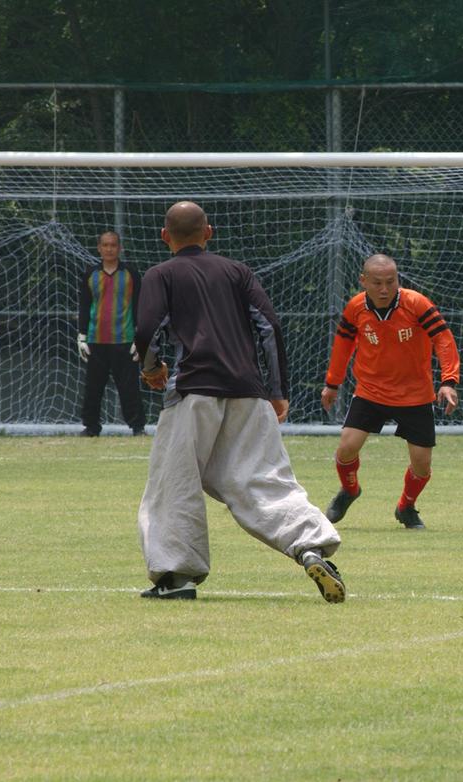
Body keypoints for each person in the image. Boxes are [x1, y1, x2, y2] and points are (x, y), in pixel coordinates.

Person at [134, 201, 344, 602]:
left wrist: (151, 368)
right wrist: (277, 392)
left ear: (165, 237)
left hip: (193, 391)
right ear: (208, 232)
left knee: (174, 484)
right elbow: (269, 327)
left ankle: (177, 577)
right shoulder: (237, 272)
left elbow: (146, 328)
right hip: (249, 394)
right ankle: (311, 546)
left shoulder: (161, 274)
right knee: (264, 479)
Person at [321, 253, 460, 530]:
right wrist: (332, 383)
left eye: (390, 282)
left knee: (422, 466)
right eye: (377, 283)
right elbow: (343, 345)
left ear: (398, 280)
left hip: (415, 394)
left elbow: (443, 339)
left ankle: (406, 507)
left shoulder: (416, 304)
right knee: (347, 447)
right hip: (371, 392)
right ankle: (349, 491)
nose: (384, 289)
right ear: (363, 281)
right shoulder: (355, 308)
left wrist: (448, 381)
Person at [76, 230, 145, 436]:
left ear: (119, 248)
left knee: (129, 387)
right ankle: (91, 427)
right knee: (93, 388)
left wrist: (140, 336)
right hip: (96, 340)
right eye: (105, 245)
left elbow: (139, 306)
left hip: (124, 340)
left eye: (113, 245)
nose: (109, 249)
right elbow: (84, 306)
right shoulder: (91, 274)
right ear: (99, 248)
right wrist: (81, 336)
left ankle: (137, 427)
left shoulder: (131, 274)